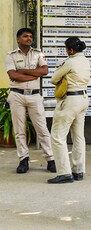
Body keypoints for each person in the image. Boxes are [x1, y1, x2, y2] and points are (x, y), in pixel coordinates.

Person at [5, 28, 56, 174]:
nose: (29, 38)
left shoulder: (38, 54)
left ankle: (51, 159)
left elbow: (45, 71)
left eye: (30, 36)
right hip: (17, 96)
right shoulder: (11, 56)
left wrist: (23, 72)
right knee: (19, 131)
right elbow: (13, 75)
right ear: (18, 39)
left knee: (42, 128)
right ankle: (23, 160)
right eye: (25, 36)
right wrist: (34, 75)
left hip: (34, 96)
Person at [47, 37, 91, 184]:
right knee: (78, 137)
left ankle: (64, 173)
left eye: (66, 48)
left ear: (71, 50)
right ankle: (78, 171)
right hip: (83, 99)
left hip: (70, 101)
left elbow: (53, 79)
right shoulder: (85, 60)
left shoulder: (70, 61)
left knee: (57, 137)